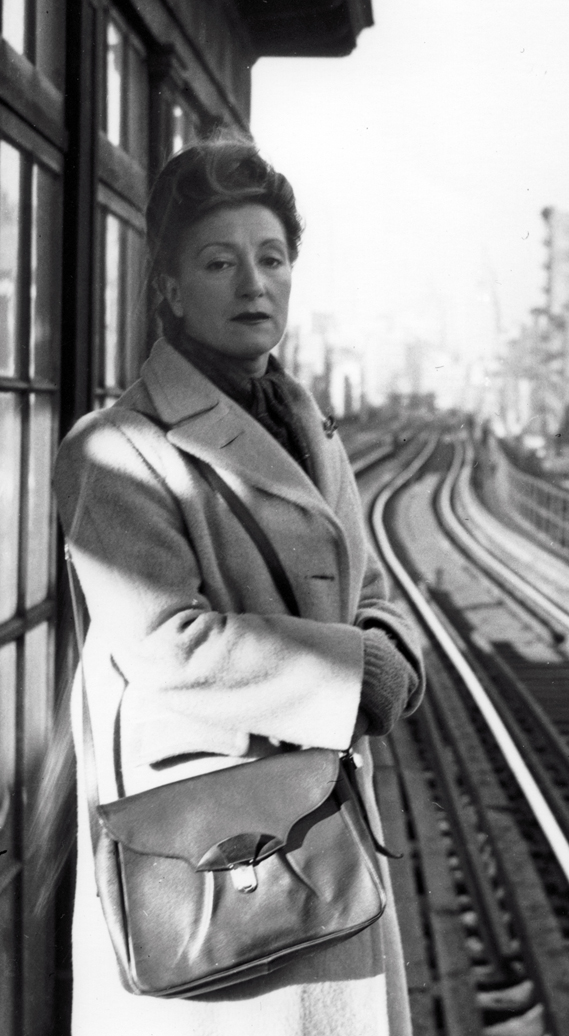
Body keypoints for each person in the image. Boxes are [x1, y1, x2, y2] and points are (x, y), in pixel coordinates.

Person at [53, 134, 425, 1036]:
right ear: (172, 289)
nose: (253, 283)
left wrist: (393, 649)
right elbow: (167, 642)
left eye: (272, 258)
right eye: (219, 262)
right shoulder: (116, 447)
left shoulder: (309, 425)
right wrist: (358, 676)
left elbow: (364, 582)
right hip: (213, 851)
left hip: (314, 826)